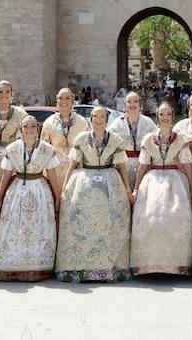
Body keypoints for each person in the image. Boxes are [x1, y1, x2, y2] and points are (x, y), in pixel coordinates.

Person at [55, 104, 133, 282]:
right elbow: (72, 165)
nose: (99, 120)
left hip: (110, 182)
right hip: (84, 181)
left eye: (102, 117)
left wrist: (128, 188)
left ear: (107, 120)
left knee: (111, 221)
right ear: (91, 119)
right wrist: (65, 187)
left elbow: (122, 166)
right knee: (80, 221)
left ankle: (108, 267)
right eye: (95, 117)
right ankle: (79, 268)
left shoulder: (115, 139)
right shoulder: (82, 139)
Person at [0, 116, 61, 281]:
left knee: (38, 228)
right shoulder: (12, 148)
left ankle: (38, 266)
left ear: (38, 129)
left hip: (40, 190)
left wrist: (58, 197)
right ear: (20, 129)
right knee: (15, 226)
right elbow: (6, 174)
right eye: (25, 126)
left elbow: (52, 175)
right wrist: (0, 196)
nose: (29, 129)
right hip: (17, 191)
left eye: (32, 126)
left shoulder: (47, 149)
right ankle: (12, 266)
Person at [129, 101, 192, 275]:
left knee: (176, 220)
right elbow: (143, 166)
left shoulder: (181, 139)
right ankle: (148, 263)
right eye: (161, 114)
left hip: (176, 183)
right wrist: (136, 188)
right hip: (152, 182)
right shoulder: (148, 139)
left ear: (173, 116)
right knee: (149, 219)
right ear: (157, 116)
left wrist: (191, 188)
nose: (165, 118)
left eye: (168, 114)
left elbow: (187, 166)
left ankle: (176, 264)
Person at [41, 88, 90, 177]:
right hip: (55, 170)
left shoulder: (82, 122)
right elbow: (43, 147)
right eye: (60, 98)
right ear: (56, 101)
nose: (63, 101)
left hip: (76, 169)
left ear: (72, 101)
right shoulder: (49, 122)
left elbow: (88, 146)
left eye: (67, 98)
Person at [117, 90, 157, 186]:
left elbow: (158, 137)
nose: (132, 104)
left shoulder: (148, 122)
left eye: (135, 101)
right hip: (125, 164)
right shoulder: (118, 123)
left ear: (140, 105)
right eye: (129, 102)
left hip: (144, 164)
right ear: (125, 105)